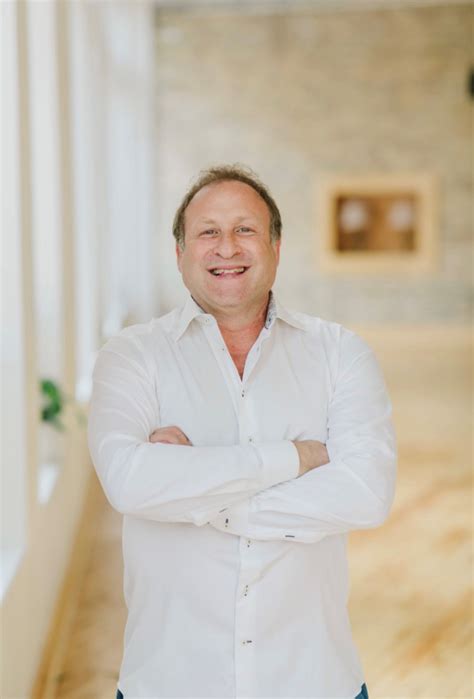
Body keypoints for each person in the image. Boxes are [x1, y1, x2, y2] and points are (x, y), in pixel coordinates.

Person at [87, 164, 397, 699]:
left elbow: (366, 494)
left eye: (245, 229)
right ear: (180, 252)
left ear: (276, 246)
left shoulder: (340, 354)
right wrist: (296, 459)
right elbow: (129, 483)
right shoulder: (132, 357)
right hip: (169, 684)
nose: (226, 247)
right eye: (208, 231)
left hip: (313, 681)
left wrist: (193, 494)